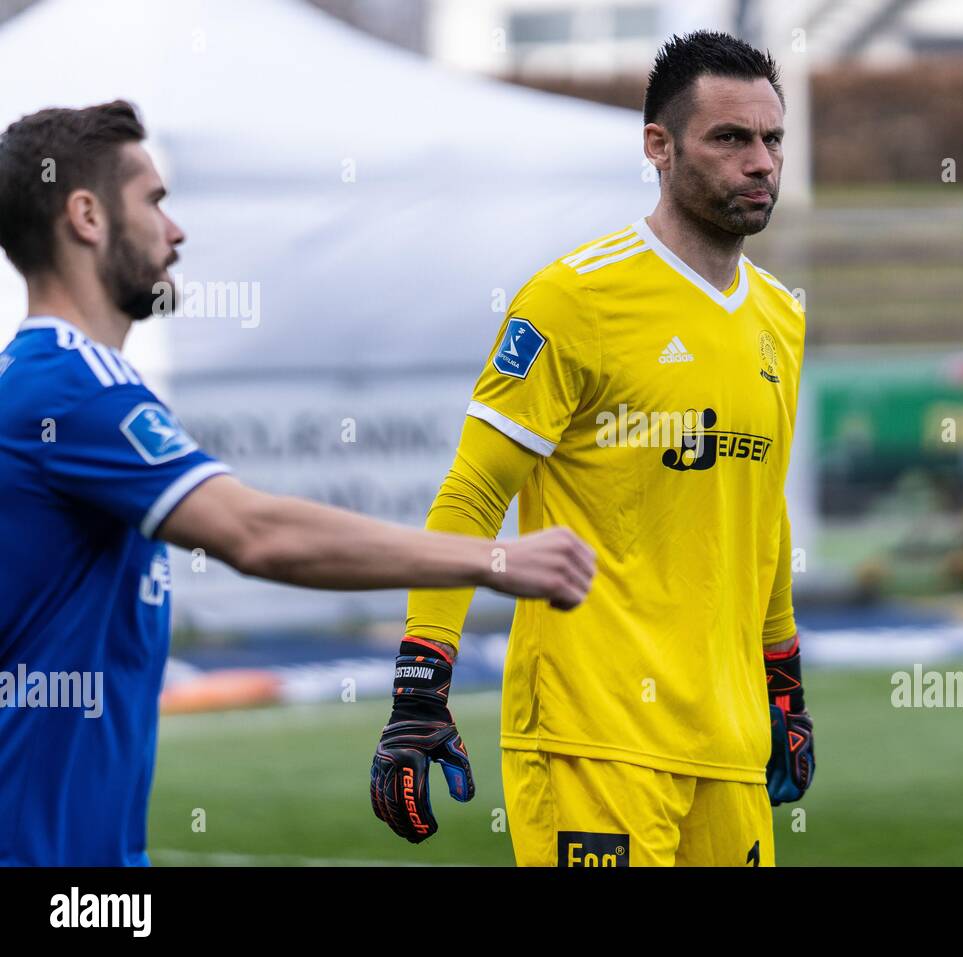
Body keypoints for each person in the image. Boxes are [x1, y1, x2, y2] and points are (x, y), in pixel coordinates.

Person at [0, 101, 596, 866]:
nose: (175, 233)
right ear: (86, 215)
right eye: (154, 201)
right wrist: (493, 560)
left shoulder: (45, 384)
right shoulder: (73, 390)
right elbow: (258, 534)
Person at [369, 31, 814, 866]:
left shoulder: (779, 318)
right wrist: (420, 682)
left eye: (772, 139)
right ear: (659, 145)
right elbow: (471, 495)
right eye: (730, 138)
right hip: (592, 735)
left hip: (727, 742)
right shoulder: (573, 300)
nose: (760, 162)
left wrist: (781, 679)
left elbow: (763, 513)